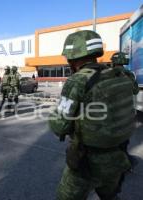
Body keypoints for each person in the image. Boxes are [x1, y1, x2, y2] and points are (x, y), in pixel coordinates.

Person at [48, 30, 137, 200]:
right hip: (118, 157)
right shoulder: (120, 76)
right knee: (110, 196)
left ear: (72, 57)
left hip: (87, 161)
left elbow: (59, 125)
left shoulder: (78, 80)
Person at [111, 51, 139, 171]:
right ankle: (125, 163)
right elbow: (136, 91)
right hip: (127, 114)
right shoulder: (129, 75)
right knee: (123, 141)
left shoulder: (108, 74)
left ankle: (121, 164)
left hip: (113, 114)